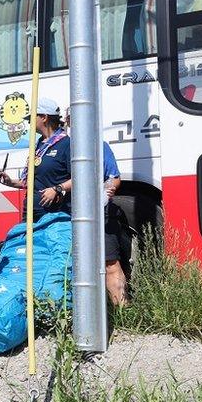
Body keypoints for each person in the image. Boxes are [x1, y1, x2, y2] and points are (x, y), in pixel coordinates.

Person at [63, 111, 127, 305]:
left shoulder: (99, 146)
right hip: (68, 213)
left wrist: (105, 193)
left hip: (99, 213)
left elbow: (114, 178)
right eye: (73, 119)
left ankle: (122, 312)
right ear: (68, 122)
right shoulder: (63, 147)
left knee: (109, 263)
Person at [0, 97, 70, 220]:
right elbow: (32, 181)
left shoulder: (66, 144)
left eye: (32, 118)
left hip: (54, 215)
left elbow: (80, 178)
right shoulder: (39, 145)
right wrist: (11, 182)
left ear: (44, 118)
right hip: (31, 211)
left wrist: (57, 189)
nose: (29, 122)